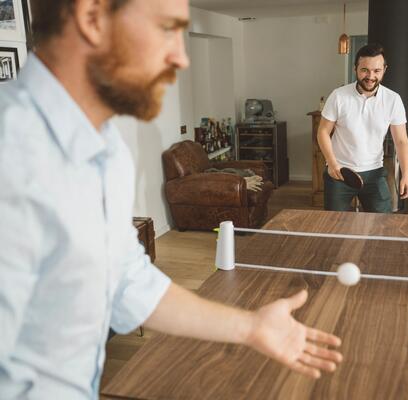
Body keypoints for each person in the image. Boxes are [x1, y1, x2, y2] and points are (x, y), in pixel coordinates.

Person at [0, 1, 343, 398]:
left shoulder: (105, 147)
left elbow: (129, 283)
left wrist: (250, 328)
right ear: (92, 19)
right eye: (166, 28)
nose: (180, 57)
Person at [317, 43, 408, 213]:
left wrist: (406, 176)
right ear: (355, 69)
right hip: (340, 172)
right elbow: (323, 132)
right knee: (334, 227)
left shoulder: (393, 99)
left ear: (384, 70)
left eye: (376, 71)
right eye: (365, 70)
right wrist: (332, 164)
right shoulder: (338, 96)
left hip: (375, 173)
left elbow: (401, 141)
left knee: (382, 226)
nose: (370, 76)